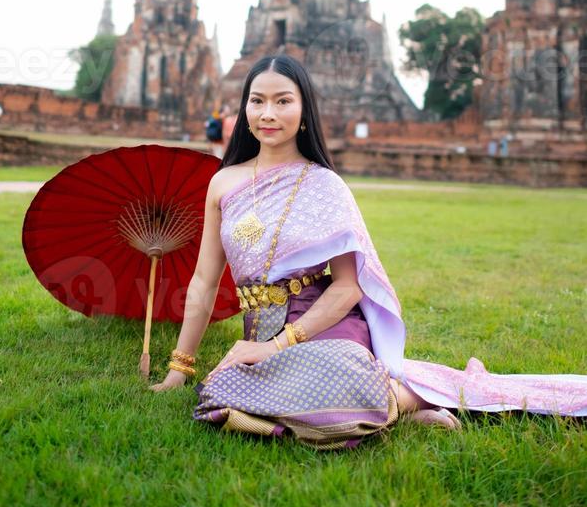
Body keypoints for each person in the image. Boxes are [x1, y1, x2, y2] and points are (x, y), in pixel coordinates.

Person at [151, 55, 587, 449]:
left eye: (283, 101)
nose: (268, 114)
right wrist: (180, 367)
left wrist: (280, 345)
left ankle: (399, 399)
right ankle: (389, 408)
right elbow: (205, 281)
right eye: (257, 101)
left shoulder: (323, 184)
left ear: (304, 113)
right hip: (259, 333)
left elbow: (348, 286)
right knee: (218, 391)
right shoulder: (223, 183)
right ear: (243, 109)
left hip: (323, 329)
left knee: (332, 380)